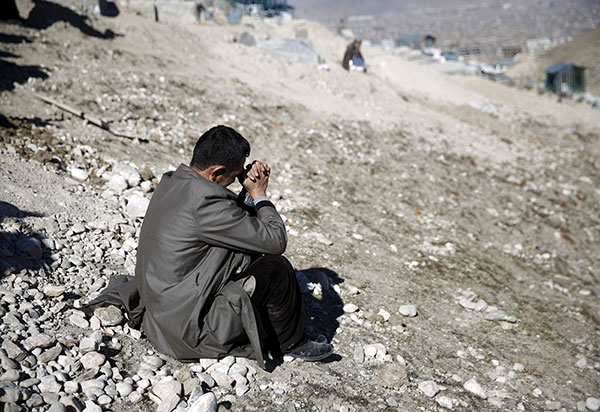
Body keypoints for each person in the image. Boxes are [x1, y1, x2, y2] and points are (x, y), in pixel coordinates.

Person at [132, 125, 333, 367]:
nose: (238, 179)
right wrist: (260, 195)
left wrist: (245, 190)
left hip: (161, 310)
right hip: (185, 330)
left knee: (250, 253)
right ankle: (292, 344)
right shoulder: (207, 203)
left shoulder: (175, 182)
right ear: (217, 172)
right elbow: (275, 240)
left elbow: (230, 224)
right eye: (235, 174)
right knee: (276, 268)